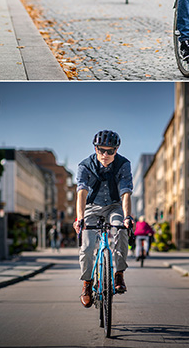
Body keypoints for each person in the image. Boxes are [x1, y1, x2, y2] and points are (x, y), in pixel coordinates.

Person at [73, 130, 133, 306]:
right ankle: (87, 284)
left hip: (114, 206)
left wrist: (127, 217)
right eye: (101, 150)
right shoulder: (85, 166)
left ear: (116, 150)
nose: (105, 155)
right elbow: (81, 193)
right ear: (95, 148)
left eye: (110, 151)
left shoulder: (123, 164)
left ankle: (119, 274)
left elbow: (126, 192)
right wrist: (79, 219)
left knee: (121, 231)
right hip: (91, 208)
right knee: (87, 245)